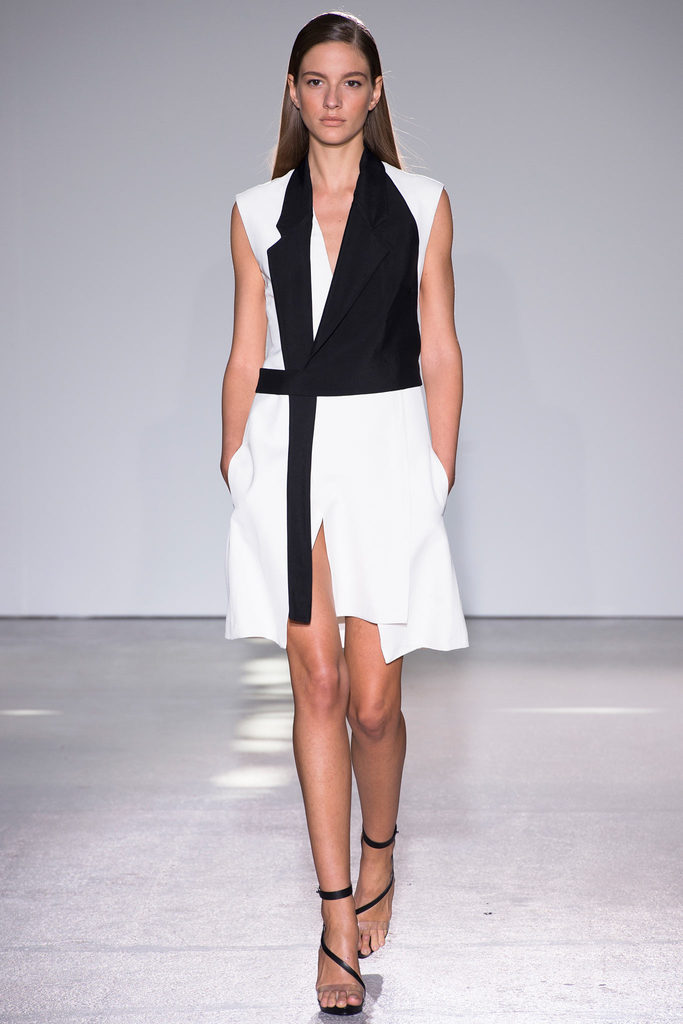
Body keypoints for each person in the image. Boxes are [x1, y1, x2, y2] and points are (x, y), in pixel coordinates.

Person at [220, 11, 469, 1015]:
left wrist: (436, 473)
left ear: (374, 92)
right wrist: (235, 461)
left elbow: (439, 346)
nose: (332, 98)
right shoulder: (252, 212)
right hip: (287, 450)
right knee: (316, 681)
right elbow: (245, 348)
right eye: (315, 81)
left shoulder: (421, 203)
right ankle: (333, 924)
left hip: (387, 453)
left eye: (350, 80)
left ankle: (380, 847)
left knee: (372, 702)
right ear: (292, 91)